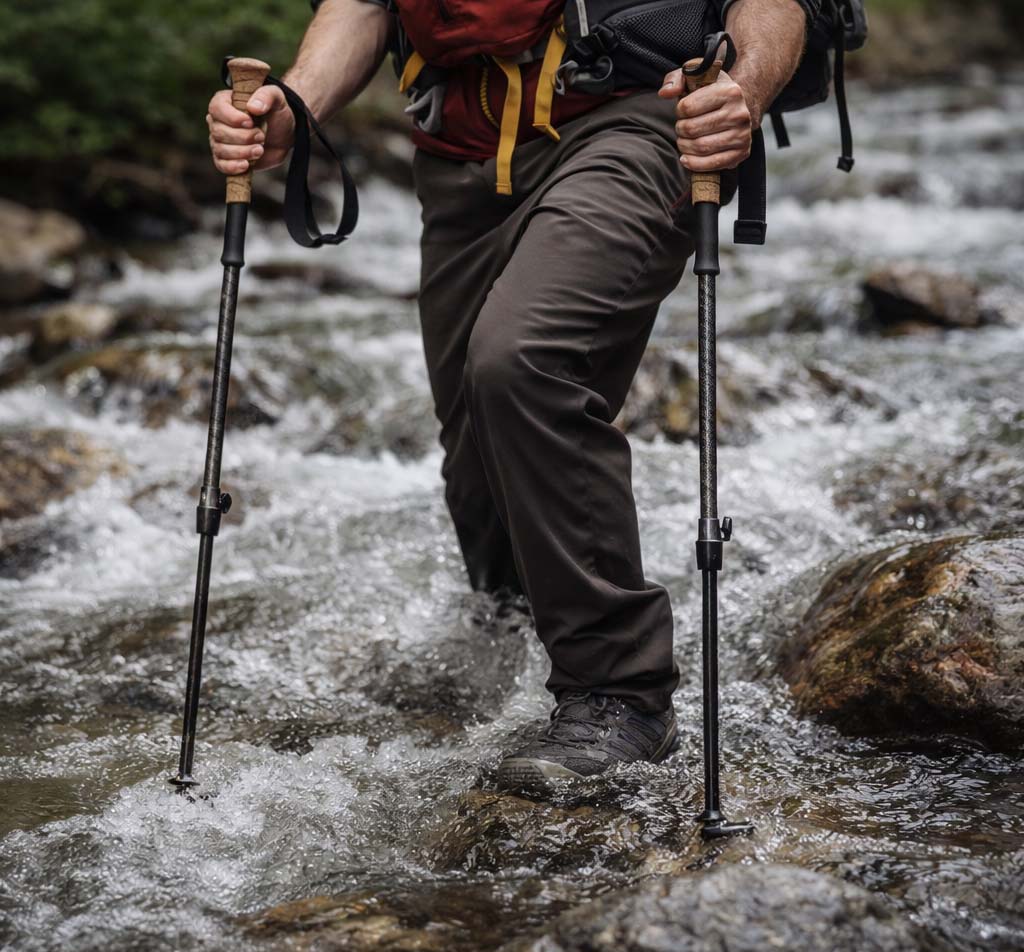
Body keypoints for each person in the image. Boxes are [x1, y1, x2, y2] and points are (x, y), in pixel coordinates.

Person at [207, 0, 811, 791]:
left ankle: (618, 693)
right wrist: (295, 104)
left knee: (524, 360)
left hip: (630, 118)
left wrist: (746, 88)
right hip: (460, 158)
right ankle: (508, 642)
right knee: (476, 450)